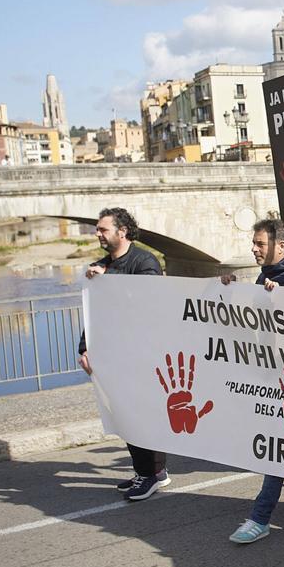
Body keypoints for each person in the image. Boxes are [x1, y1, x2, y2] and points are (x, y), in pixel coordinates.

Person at [225, 219, 284, 544]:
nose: (253, 248)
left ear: (280, 246)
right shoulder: (268, 276)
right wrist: (228, 290)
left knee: (277, 449)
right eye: (253, 242)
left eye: (260, 244)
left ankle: (260, 518)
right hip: (276, 375)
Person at [77, 207, 167, 501]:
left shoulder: (144, 262)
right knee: (126, 416)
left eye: (103, 229)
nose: (98, 234)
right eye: (98, 229)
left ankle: (150, 475)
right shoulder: (101, 266)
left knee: (138, 416)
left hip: (141, 355)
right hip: (115, 356)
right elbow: (95, 313)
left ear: (122, 231)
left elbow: (148, 305)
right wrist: (84, 348)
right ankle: (152, 472)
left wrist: (108, 278)